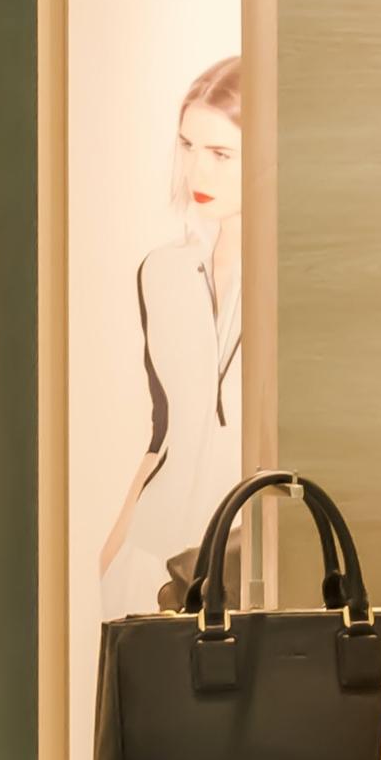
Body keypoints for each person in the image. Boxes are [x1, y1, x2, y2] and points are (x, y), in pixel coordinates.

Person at [99, 55, 245, 617]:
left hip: (245, 558)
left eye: (219, 154)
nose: (196, 173)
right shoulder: (161, 272)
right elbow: (164, 427)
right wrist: (112, 551)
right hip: (153, 553)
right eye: (187, 147)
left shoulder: (292, 281)